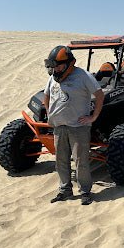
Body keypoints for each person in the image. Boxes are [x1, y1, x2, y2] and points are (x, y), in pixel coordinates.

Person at [43, 45, 104, 205]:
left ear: (69, 63)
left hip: (78, 128)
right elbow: (46, 96)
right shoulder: (53, 77)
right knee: (60, 160)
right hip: (59, 127)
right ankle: (65, 190)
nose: (56, 69)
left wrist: (93, 116)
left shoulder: (83, 76)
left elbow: (99, 94)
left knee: (81, 161)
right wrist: (50, 114)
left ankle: (85, 192)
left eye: (58, 65)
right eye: (53, 66)